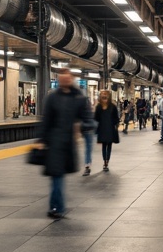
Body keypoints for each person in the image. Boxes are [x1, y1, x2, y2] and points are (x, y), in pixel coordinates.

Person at [35, 70, 92, 218]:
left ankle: (56, 206)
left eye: (67, 79)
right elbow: (45, 120)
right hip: (54, 143)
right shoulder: (52, 97)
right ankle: (57, 208)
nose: (64, 81)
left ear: (71, 79)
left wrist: (85, 126)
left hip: (68, 143)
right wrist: (40, 139)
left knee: (58, 176)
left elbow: (87, 118)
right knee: (57, 175)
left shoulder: (78, 97)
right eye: (62, 79)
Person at [92, 89, 120, 171]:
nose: (104, 96)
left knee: (109, 145)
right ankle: (105, 161)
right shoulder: (99, 107)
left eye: (106, 95)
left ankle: (107, 160)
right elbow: (96, 118)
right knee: (104, 145)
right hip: (102, 128)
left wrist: (116, 125)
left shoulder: (113, 106)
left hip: (110, 128)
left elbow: (116, 118)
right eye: (103, 95)